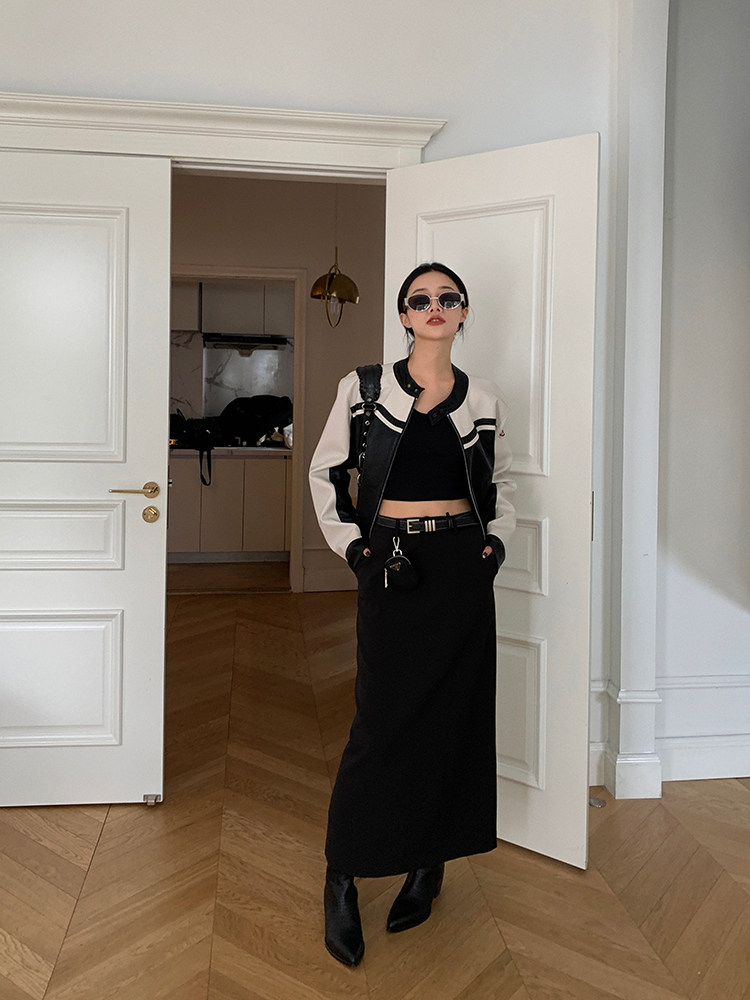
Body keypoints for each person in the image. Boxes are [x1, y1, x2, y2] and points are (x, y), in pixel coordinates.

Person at [308, 262, 516, 967]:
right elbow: (326, 473)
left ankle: (429, 864)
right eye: (420, 299)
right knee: (380, 724)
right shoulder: (364, 389)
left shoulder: (483, 398)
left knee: (454, 721)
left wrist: (493, 547)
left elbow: (502, 484)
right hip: (392, 565)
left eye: (447, 299)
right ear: (403, 315)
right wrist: (356, 549)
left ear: (463, 314)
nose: (435, 307)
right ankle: (343, 874)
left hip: (461, 567)